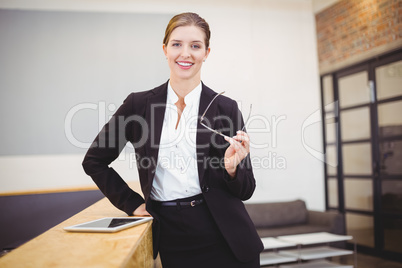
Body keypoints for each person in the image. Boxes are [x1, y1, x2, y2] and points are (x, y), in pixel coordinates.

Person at [82, 12, 263, 267]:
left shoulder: (226, 107)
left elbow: (246, 190)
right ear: (165, 49)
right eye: (177, 44)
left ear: (206, 53)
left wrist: (232, 170)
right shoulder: (138, 105)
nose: (185, 54)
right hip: (172, 237)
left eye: (195, 46)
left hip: (227, 238)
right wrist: (131, 203)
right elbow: (94, 161)